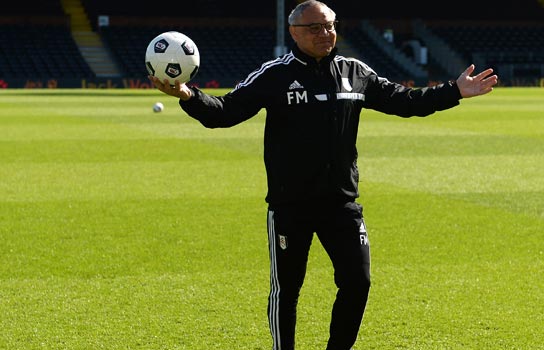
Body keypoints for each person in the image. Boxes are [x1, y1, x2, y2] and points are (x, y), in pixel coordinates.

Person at [149, 1, 498, 349]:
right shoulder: (275, 74)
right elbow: (224, 112)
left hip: (341, 204)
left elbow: (405, 101)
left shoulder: (355, 72)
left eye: (330, 25)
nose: (325, 33)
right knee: (287, 289)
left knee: (357, 282)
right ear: (293, 32)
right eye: (314, 27)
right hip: (291, 205)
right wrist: (187, 95)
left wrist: (455, 92)